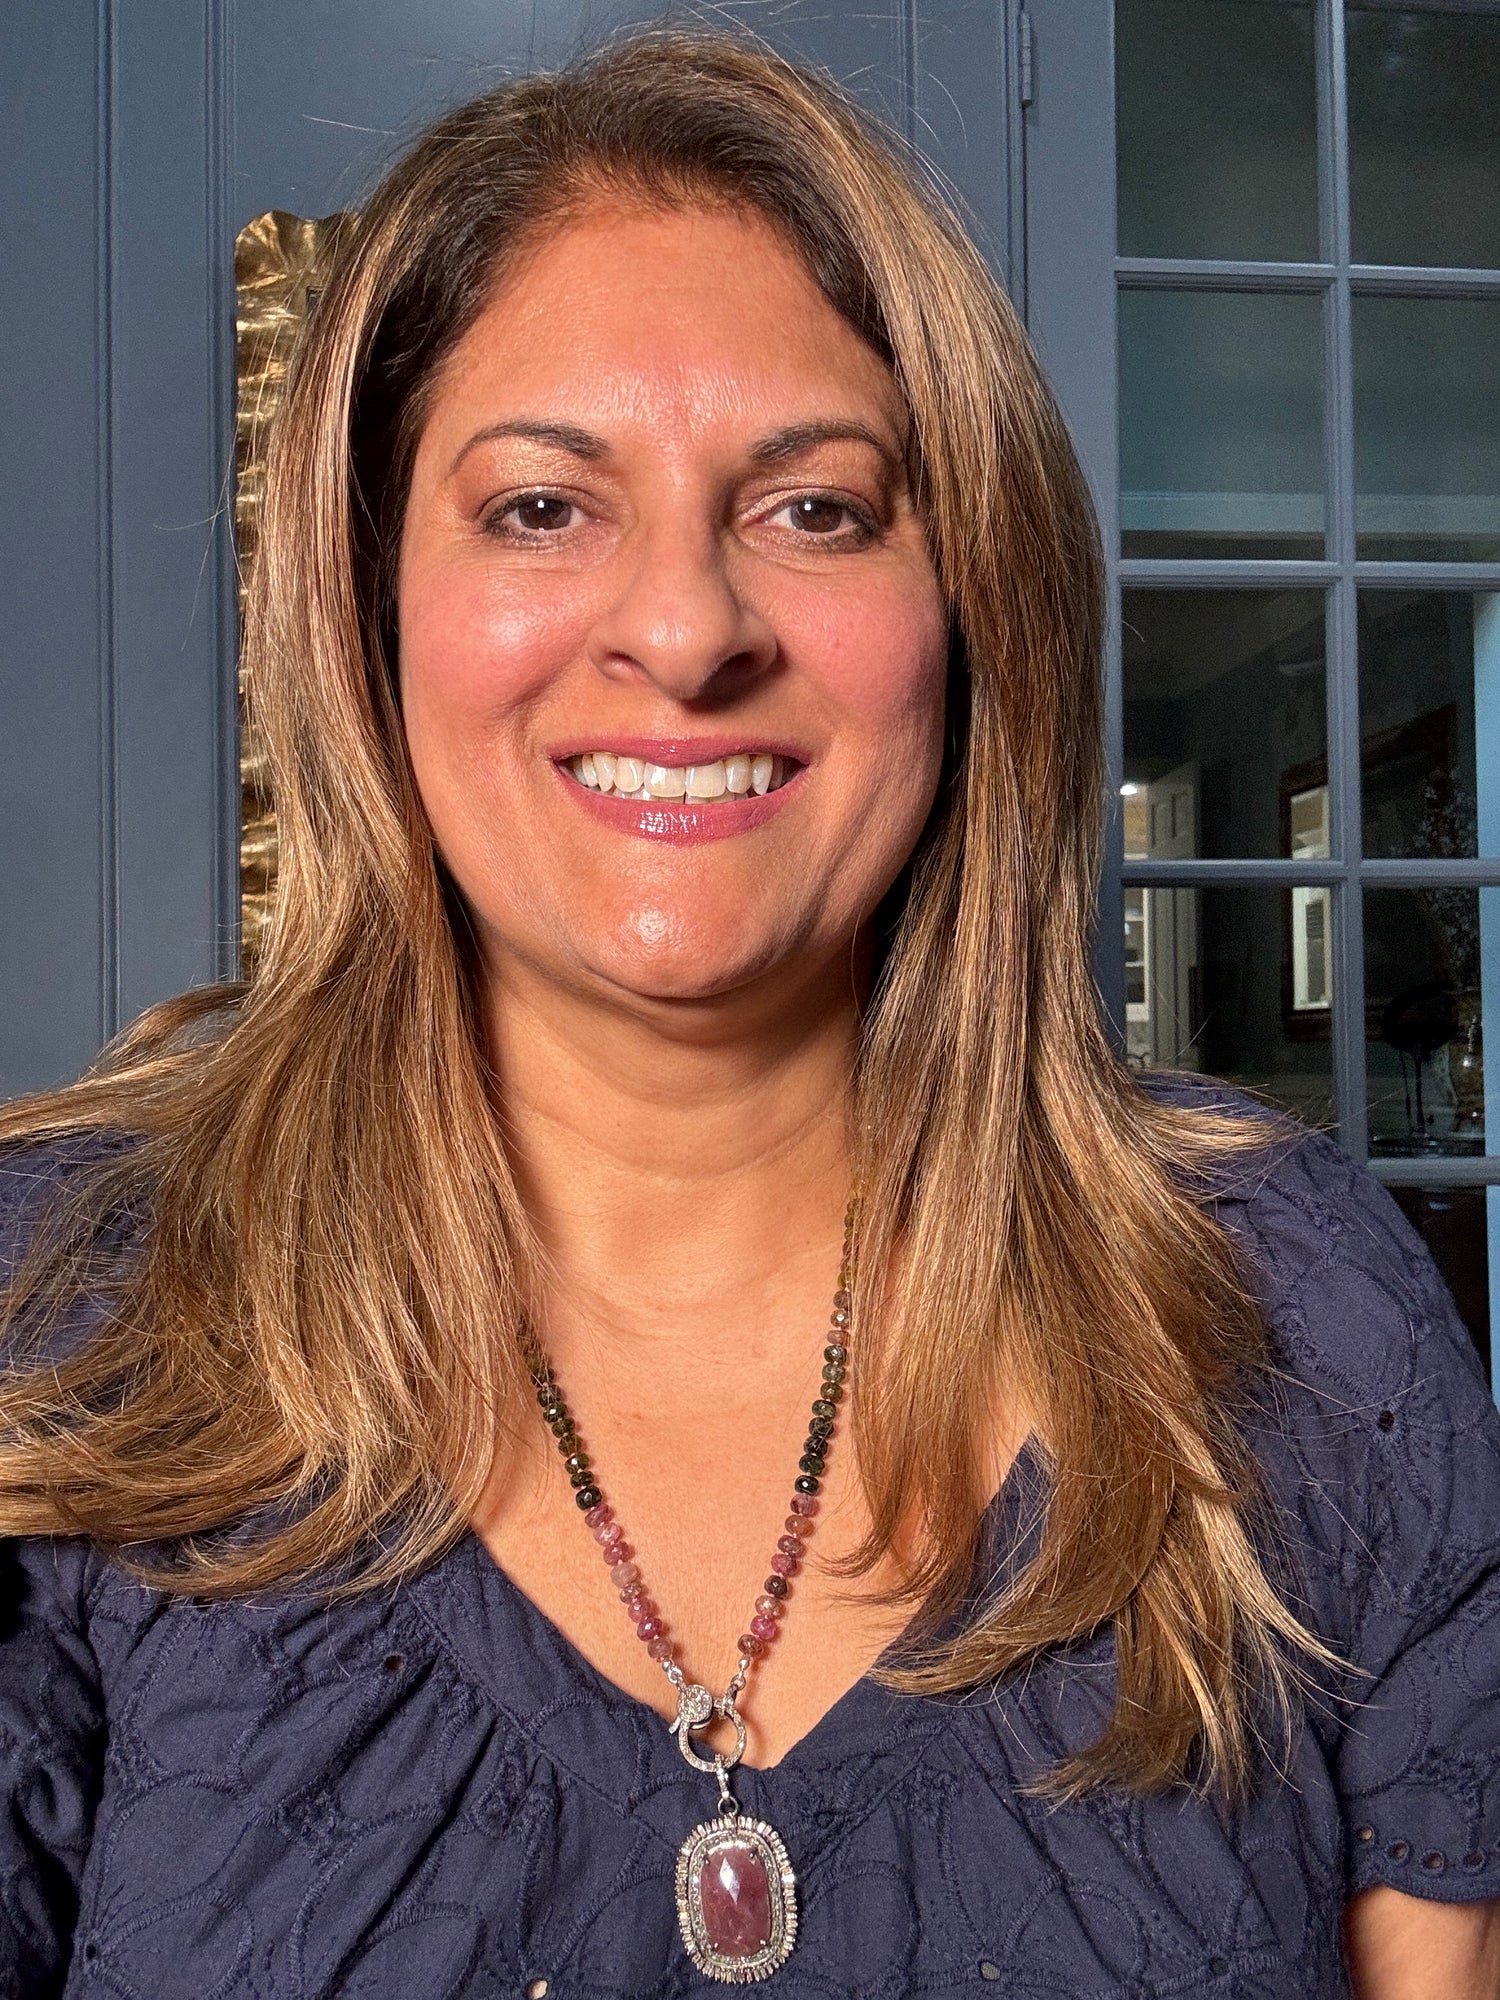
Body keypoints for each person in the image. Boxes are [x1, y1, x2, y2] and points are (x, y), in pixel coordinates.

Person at [2, 26, 1497, 1998]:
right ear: (367, 610)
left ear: (977, 606)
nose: (691, 626)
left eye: (819, 509)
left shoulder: (1302, 1315)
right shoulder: (62, 1315)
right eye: (541, 505)